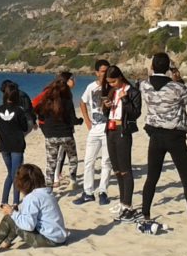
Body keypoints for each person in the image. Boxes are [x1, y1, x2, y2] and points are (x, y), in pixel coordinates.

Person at [139, 53, 187, 226]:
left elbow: (142, 83)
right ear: (168, 68)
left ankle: (146, 214)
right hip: (175, 135)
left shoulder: (144, 85)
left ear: (152, 66)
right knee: (186, 176)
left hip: (155, 136)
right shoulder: (176, 88)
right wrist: (180, 80)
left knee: (152, 176)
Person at [0, 163, 68, 252]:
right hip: (60, 237)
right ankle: (6, 243)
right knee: (16, 217)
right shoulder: (46, 192)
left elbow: (28, 225)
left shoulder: (32, 197)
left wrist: (12, 212)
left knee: (9, 218)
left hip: (50, 240)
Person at [103, 66, 142, 223]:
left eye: (113, 81)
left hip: (122, 130)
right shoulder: (113, 92)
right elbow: (108, 113)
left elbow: (135, 113)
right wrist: (106, 107)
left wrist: (125, 99)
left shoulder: (132, 92)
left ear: (120, 77)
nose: (111, 84)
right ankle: (121, 202)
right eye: (109, 82)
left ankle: (128, 204)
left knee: (125, 169)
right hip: (110, 129)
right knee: (117, 169)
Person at [75, 59, 113, 205]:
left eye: (107, 71)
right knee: (89, 161)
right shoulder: (91, 87)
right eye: (103, 71)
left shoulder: (112, 87)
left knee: (106, 161)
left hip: (109, 129)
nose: (105, 74)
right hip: (94, 129)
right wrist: (87, 121)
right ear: (97, 72)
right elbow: (82, 102)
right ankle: (88, 192)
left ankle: (103, 191)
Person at [32, 74, 79, 190]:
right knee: (72, 158)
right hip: (66, 134)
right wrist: (80, 121)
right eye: (72, 79)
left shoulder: (47, 96)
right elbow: (72, 118)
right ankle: (73, 180)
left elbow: (35, 107)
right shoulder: (67, 98)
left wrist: (41, 121)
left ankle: (49, 188)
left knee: (51, 163)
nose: (74, 81)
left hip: (50, 135)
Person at [0, 83, 29, 206]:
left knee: (10, 174)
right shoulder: (19, 111)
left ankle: (4, 201)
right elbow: (25, 127)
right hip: (16, 145)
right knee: (16, 175)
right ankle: (15, 202)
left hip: (4, 145)